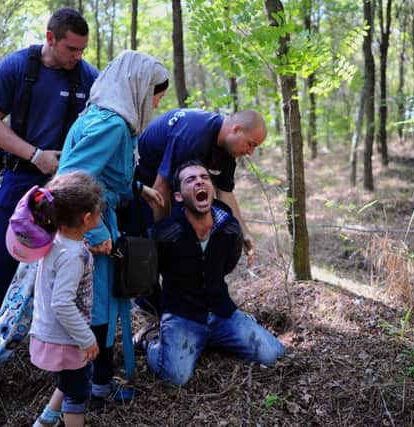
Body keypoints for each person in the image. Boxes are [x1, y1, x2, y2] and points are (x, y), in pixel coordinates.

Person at [57, 50, 168, 405]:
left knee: (96, 305)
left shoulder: (96, 116)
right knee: (96, 308)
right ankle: (91, 388)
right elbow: (71, 179)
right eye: (155, 93)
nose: (156, 102)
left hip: (89, 220)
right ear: (137, 87)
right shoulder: (112, 124)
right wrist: (96, 232)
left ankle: (94, 383)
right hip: (90, 225)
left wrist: (138, 187)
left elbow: (104, 172)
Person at [0, 7, 99, 315]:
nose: (77, 56)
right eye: (71, 48)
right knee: (2, 255)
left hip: (68, 186)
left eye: (82, 49)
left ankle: (50, 326)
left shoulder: (89, 77)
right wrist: (35, 155)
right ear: (50, 38)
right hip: (22, 175)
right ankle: (0, 321)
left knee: (65, 257)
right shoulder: (17, 67)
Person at [134, 160, 285, 386]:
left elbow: (228, 264)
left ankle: (213, 337)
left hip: (222, 313)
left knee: (273, 354)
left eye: (204, 178)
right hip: (182, 316)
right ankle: (151, 339)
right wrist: (162, 310)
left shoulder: (228, 227)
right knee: (174, 377)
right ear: (178, 196)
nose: (199, 182)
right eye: (190, 180)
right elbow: (147, 282)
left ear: (212, 190)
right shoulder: (165, 233)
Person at [19, 171, 104, 427]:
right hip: (66, 338)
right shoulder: (73, 256)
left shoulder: (56, 241)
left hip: (51, 334)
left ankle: (46, 420)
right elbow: (62, 303)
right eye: (99, 212)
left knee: (70, 379)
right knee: (78, 393)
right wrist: (86, 338)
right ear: (88, 218)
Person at [134, 108, 268, 265]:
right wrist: (165, 238)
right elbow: (160, 188)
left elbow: (225, 193)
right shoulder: (193, 137)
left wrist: (244, 232)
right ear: (236, 129)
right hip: (141, 187)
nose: (251, 152)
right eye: (251, 144)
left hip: (169, 190)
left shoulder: (227, 151)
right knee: (146, 261)